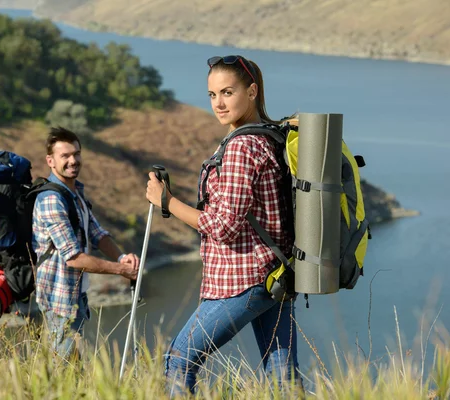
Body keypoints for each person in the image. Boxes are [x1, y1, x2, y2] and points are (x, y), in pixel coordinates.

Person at [146, 55, 301, 395]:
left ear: (252, 91)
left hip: (242, 281)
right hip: (276, 275)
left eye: (227, 92)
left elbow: (224, 226)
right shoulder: (270, 135)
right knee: (282, 377)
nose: (218, 103)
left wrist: (167, 202)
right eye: (212, 95)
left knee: (179, 358)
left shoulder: (242, 146)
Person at [33, 127, 140, 360]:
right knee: (63, 368)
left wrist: (122, 257)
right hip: (59, 300)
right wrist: (121, 270)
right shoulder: (52, 199)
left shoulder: (75, 193)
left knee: (74, 368)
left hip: (76, 296)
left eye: (77, 154)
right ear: (50, 161)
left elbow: (97, 233)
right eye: (65, 156)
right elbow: (73, 259)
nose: (73, 160)